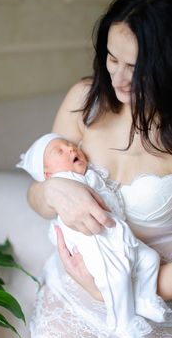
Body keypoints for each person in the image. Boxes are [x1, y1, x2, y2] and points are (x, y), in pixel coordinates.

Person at [27, 0, 172, 337]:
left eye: (135, 68)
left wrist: (116, 287)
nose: (118, 79)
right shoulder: (85, 100)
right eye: (112, 59)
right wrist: (53, 190)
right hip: (71, 289)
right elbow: (36, 193)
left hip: (153, 298)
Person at [17, 132, 171, 337]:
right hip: (95, 241)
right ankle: (123, 323)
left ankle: (145, 299)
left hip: (121, 236)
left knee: (150, 258)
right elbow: (37, 192)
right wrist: (49, 189)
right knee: (117, 275)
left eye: (70, 145)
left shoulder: (89, 175)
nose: (71, 148)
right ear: (47, 174)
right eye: (60, 150)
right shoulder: (66, 179)